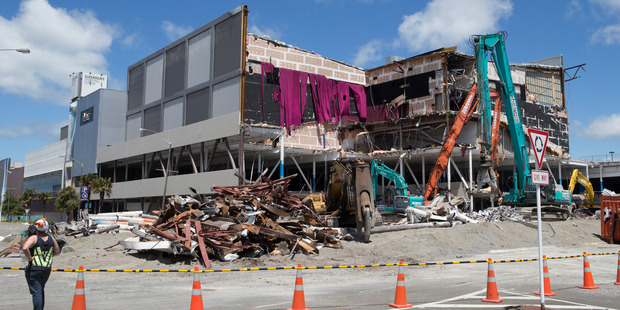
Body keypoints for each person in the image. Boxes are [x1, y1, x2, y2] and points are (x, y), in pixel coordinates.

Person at [22, 218, 60, 310]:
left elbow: (25, 248)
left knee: (36, 292)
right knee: (40, 290)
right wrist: (48, 257)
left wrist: (30, 258)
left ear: (36, 229)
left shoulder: (34, 238)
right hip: (46, 268)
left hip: (34, 268)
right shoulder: (51, 238)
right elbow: (57, 251)